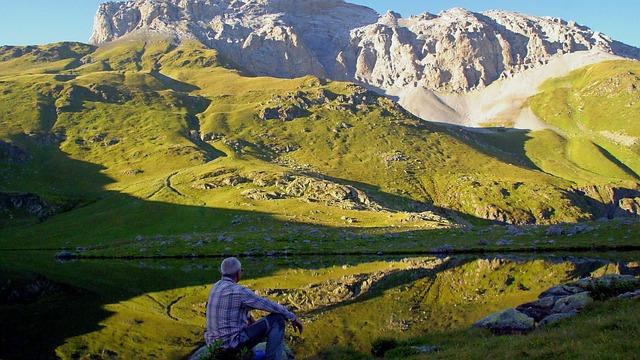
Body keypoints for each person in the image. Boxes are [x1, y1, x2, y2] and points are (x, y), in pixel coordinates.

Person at [203, 257, 303, 360]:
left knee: (251, 322)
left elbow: (235, 310)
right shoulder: (239, 291)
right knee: (277, 319)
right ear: (238, 273)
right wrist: (292, 317)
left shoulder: (215, 287)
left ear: (222, 272)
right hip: (231, 346)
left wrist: (251, 321)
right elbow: (267, 304)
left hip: (214, 345)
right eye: (241, 270)